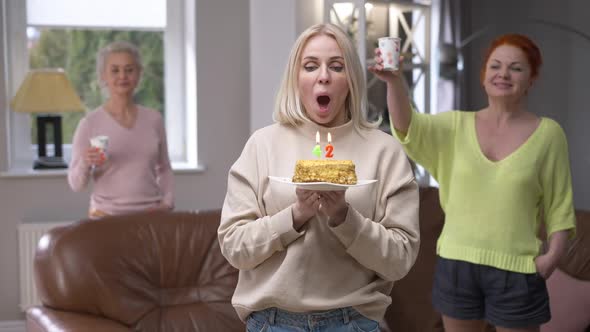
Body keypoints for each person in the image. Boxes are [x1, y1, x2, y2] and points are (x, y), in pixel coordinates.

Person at [218, 23, 420, 332]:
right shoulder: (263, 145)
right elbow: (234, 247)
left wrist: (343, 217)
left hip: (353, 323)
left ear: (351, 79)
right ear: (296, 79)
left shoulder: (385, 151)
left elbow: (400, 259)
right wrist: (296, 215)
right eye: (310, 66)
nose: (323, 75)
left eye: (336, 67)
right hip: (272, 324)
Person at [370, 34, 576, 331]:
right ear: (483, 76)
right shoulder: (455, 126)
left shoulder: (549, 135)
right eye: (495, 66)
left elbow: (560, 204)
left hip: (517, 270)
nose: (503, 73)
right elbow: (407, 127)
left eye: (516, 68)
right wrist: (393, 81)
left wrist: (553, 256)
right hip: (456, 265)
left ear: (532, 79)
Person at [68, 41, 174, 218]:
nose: (123, 76)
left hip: (150, 216)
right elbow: (75, 184)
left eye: (129, 69)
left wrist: (168, 202)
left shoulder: (154, 119)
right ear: (103, 76)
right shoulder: (89, 123)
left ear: (139, 74)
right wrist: (85, 162)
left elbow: (164, 168)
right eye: (115, 70)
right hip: (105, 217)